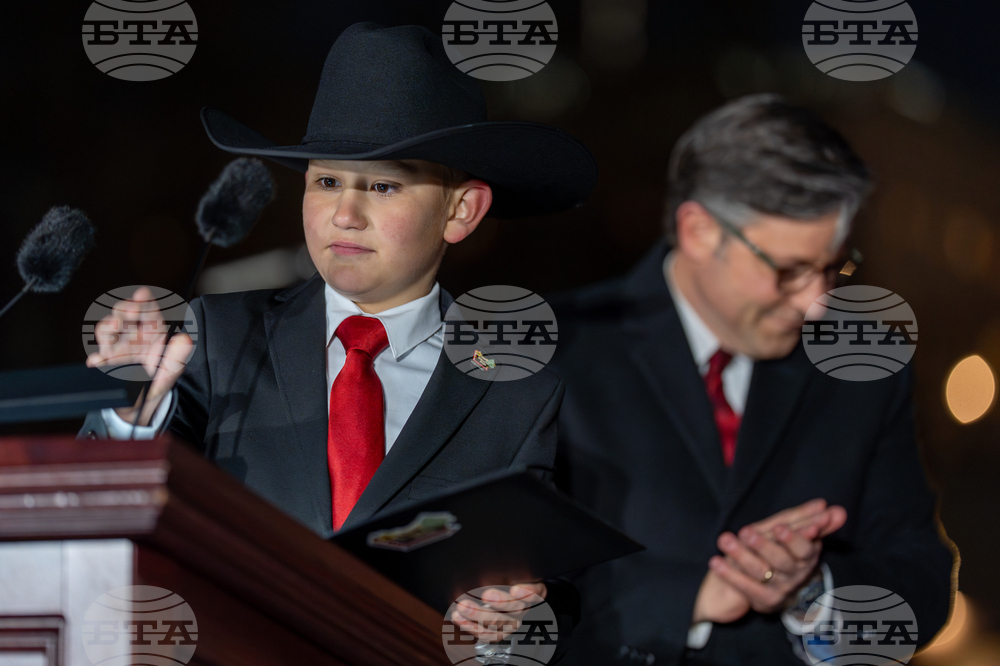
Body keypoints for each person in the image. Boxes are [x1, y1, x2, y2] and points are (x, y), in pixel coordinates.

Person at [80, 22, 596, 647]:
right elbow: (105, 513)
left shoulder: (514, 390)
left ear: (461, 211)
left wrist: (510, 619)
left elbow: (547, 583)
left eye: (383, 185)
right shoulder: (217, 337)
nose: (345, 215)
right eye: (326, 181)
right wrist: (134, 404)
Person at [551, 94, 954, 665]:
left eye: (833, 267)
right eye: (789, 270)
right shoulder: (553, 354)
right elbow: (490, 591)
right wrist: (690, 599)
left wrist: (810, 592)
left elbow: (923, 579)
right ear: (699, 231)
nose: (817, 304)